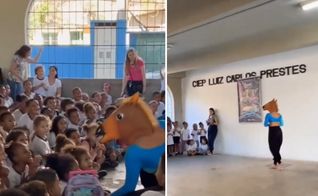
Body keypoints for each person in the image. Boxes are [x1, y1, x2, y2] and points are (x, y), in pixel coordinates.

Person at [263, 99, 284, 171]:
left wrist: (270, 123)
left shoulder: (268, 115)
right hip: (279, 130)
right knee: (277, 147)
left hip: (272, 131)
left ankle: (279, 162)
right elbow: (282, 124)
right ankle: (275, 163)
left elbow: (265, 125)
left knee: (272, 147)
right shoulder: (279, 115)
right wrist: (276, 123)